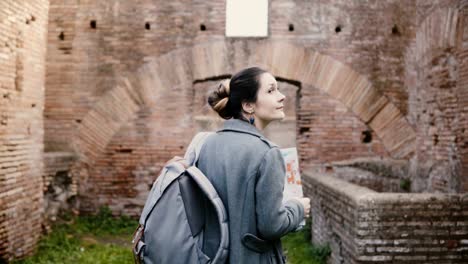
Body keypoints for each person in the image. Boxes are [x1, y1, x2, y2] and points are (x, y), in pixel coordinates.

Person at [196, 67, 311, 264]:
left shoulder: (206, 145)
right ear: (248, 105)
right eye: (271, 90)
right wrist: (298, 208)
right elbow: (272, 226)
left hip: (211, 257)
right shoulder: (267, 153)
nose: (282, 96)